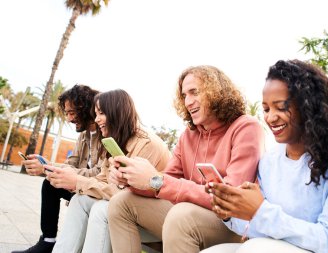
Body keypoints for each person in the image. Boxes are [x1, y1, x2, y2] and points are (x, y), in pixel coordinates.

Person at [202, 59, 328, 253]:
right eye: (266, 109)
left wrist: (260, 211)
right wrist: (229, 214)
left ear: (308, 106)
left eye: (281, 107)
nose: (270, 117)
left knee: (255, 250)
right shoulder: (269, 161)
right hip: (285, 245)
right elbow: (263, 226)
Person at [107, 65, 265, 253]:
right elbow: (163, 183)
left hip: (234, 225)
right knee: (121, 203)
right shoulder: (188, 136)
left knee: (181, 216)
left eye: (194, 92)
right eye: (184, 96)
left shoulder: (247, 127)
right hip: (187, 216)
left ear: (216, 92)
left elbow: (229, 197)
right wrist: (132, 179)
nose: (188, 102)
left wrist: (157, 181)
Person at [49, 89, 171, 253]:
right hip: (126, 206)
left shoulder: (148, 144)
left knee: (103, 210)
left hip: (156, 219)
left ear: (116, 112)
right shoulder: (115, 140)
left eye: (101, 113)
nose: (96, 119)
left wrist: (78, 181)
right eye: (95, 113)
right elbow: (103, 180)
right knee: (80, 200)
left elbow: (124, 195)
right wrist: (74, 182)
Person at [12, 84, 103, 253]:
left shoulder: (105, 132)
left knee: (52, 180)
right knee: (50, 184)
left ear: (85, 108)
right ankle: (47, 241)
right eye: (66, 113)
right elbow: (72, 163)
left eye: (71, 112)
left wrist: (47, 169)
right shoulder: (84, 134)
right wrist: (47, 165)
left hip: (97, 190)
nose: (68, 118)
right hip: (82, 184)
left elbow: (99, 173)